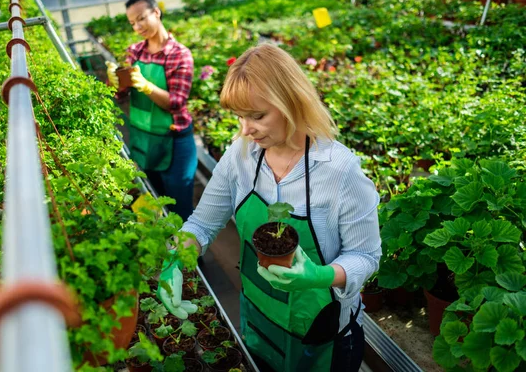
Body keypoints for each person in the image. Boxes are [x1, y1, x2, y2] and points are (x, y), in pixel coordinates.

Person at [157, 44, 382, 372]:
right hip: (258, 322)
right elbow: (202, 225)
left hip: (322, 339)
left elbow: (366, 256)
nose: (246, 129)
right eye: (240, 116)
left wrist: (319, 276)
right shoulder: (241, 156)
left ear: (292, 101)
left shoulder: (339, 170)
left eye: (257, 116)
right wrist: (176, 259)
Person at [106, 0, 197, 220]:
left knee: (181, 212)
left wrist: (146, 85)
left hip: (174, 142)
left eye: (141, 19)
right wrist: (116, 83)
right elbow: (122, 95)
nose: (138, 27)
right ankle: (167, 255)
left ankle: (192, 258)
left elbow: (175, 103)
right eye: (132, 23)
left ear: (156, 12)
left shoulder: (179, 54)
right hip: (143, 139)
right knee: (155, 205)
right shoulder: (134, 51)